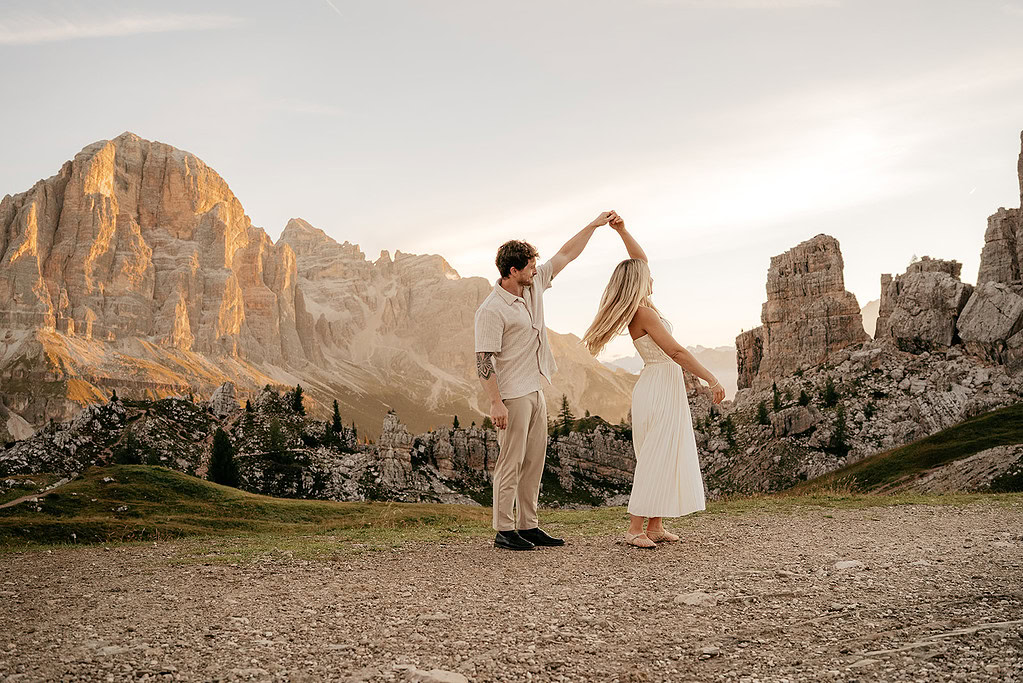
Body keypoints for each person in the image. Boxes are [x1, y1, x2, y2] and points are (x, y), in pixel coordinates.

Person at [581, 212, 725, 549]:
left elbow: (640, 260)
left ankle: (656, 525)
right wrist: (711, 378)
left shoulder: (644, 305)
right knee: (655, 454)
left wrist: (623, 231)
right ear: (639, 282)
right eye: (649, 276)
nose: (653, 277)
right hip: (659, 385)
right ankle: (635, 529)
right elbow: (675, 352)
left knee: (667, 451)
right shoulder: (643, 312)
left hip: (662, 385)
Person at [475, 211, 615, 551]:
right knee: (511, 461)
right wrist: (495, 402)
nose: (536, 270)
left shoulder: (533, 285)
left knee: (535, 459)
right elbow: (483, 360)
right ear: (513, 271)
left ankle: (529, 524)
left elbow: (566, 254)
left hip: (535, 388)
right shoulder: (492, 310)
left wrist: (594, 225)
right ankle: (504, 531)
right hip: (511, 395)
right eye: (530, 267)